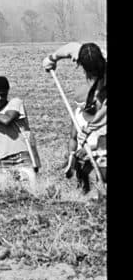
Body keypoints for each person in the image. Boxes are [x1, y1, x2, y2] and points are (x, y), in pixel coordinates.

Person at [42, 42, 107, 190]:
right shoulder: (83, 52)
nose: (88, 76)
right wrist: (51, 59)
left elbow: (104, 112)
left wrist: (88, 129)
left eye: (92, 73)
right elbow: (70, 47)